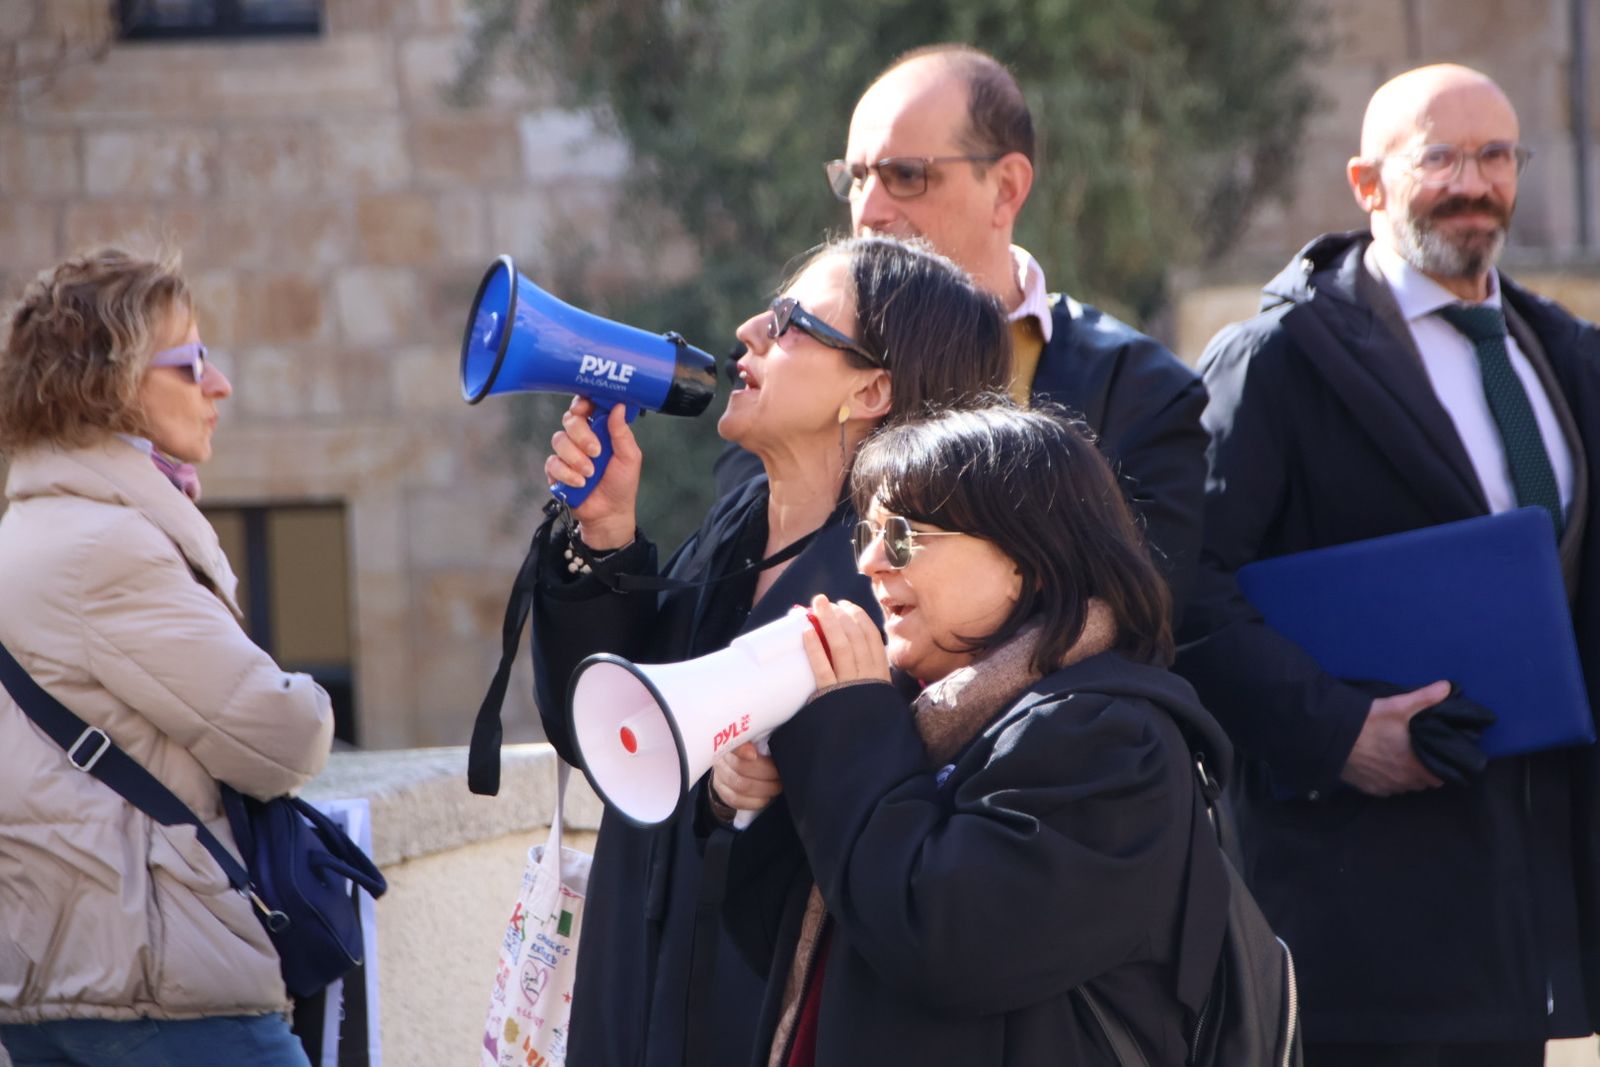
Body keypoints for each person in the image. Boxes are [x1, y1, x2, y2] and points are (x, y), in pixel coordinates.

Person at [1176, 64, 1600, 1066]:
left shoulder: (1566, 354)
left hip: (1525, 886)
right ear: (1367, 183)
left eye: (1496, 154)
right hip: (1356, 896)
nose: (1474, 182)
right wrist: (1339, 733)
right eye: (1440, 156)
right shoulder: (1272, 361)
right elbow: (1180, 587)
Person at [527, 235, 1011, 1067]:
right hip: (633, 993)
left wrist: (745, 797)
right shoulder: (739, 523)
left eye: (790, 323)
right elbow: (600, 728)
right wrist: (603, 541)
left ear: (872, 388)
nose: (750, 329)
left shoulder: (906, 594)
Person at [711, 402, 1231, 1066]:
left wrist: (847, 727)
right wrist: (763, 796)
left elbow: (940, 941)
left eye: (902, 534)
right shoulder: (911, 717)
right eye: (865, 533)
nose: (871, 562)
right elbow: (778, 940)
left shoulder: (1114, 743)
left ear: (1030, 559)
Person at [714, 44, 1207, 610]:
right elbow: (742, 574)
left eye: (905, 175)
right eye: (854, 178)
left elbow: (1140, 617)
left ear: (1006, 189)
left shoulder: (1143, 391)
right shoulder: (783, 363)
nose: (868, 210)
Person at [0, 247, 334, 1065]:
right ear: (108, 382)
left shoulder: (29, 532)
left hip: (52, 985)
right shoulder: (108, 545)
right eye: (191, 363)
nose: (219, 385)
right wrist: (310, 697)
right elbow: (281, 739)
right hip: (163, 992)